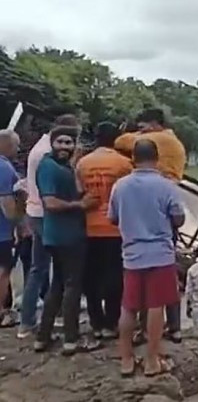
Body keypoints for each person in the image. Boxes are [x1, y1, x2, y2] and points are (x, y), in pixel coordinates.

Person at [109, 139, 185, 377]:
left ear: (133, 158)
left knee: (129, 307)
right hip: (160, 255)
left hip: (131, 254)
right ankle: (152, 360)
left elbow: (113, 218)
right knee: (156, 306)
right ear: (157, 158)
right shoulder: (166, 186)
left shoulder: (120, 186)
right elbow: (178, 218)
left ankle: (126, 359)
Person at [115, 108, 187, 342]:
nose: (141, 130)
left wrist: (130, 133)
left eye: (143, 125)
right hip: (165, 207)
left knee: (149, 285)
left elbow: (123, 141)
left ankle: (147, 331)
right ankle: (174, 327)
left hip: (151, 212)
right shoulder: (173, 142)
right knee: (168, 276)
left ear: (155, 124)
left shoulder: (160, 139)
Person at [34, 126, 99, 355]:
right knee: (73, 286)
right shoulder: (49, 167)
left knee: (58, 285)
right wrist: (80, 205)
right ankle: (71, 339)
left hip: (56, 236)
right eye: (60, 142)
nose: (64, 147)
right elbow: (50, 203)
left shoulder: (62, 167)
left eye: (69, 143)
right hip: (68, 237)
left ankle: (43, 337)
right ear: (52, 143)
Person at [19, 114, 78, 339]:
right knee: (48, 269)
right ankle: (32, 322)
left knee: (40, 268)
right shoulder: (47, 154)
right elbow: (52, 195)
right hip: (46, 214)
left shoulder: (40, 147)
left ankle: (34, 320)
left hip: (36, 210)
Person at [75, 122, 132, 339]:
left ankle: (96, 322)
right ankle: (112, 323)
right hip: (116, 228)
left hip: (90, 228)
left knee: (91, 277)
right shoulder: (125, 164)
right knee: (115, 276)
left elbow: (81, 193)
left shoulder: (83, 164)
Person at [0, 129, 23, 327]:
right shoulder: (4, 168)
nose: (18, 149)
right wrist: (17, 224)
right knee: (3, 271)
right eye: (16, 145)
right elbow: (6, 201)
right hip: (2, 231)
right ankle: (3, 312)